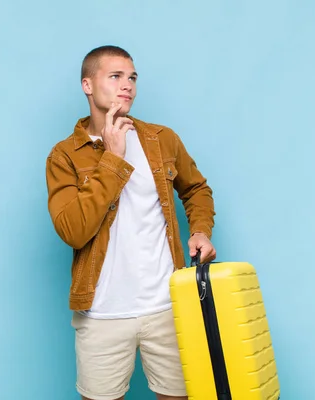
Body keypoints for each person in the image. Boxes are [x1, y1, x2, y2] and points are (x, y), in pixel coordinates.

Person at [45, 45, 217, 400]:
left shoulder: (161, 139)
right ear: (87, 85)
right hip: (103, 313)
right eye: (116, 76)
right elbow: (73, 231)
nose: (128, 86)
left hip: (169, 306)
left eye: (132, 77)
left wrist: (200, 230)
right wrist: (112, 157)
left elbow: (197, 189)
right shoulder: (64, 155)